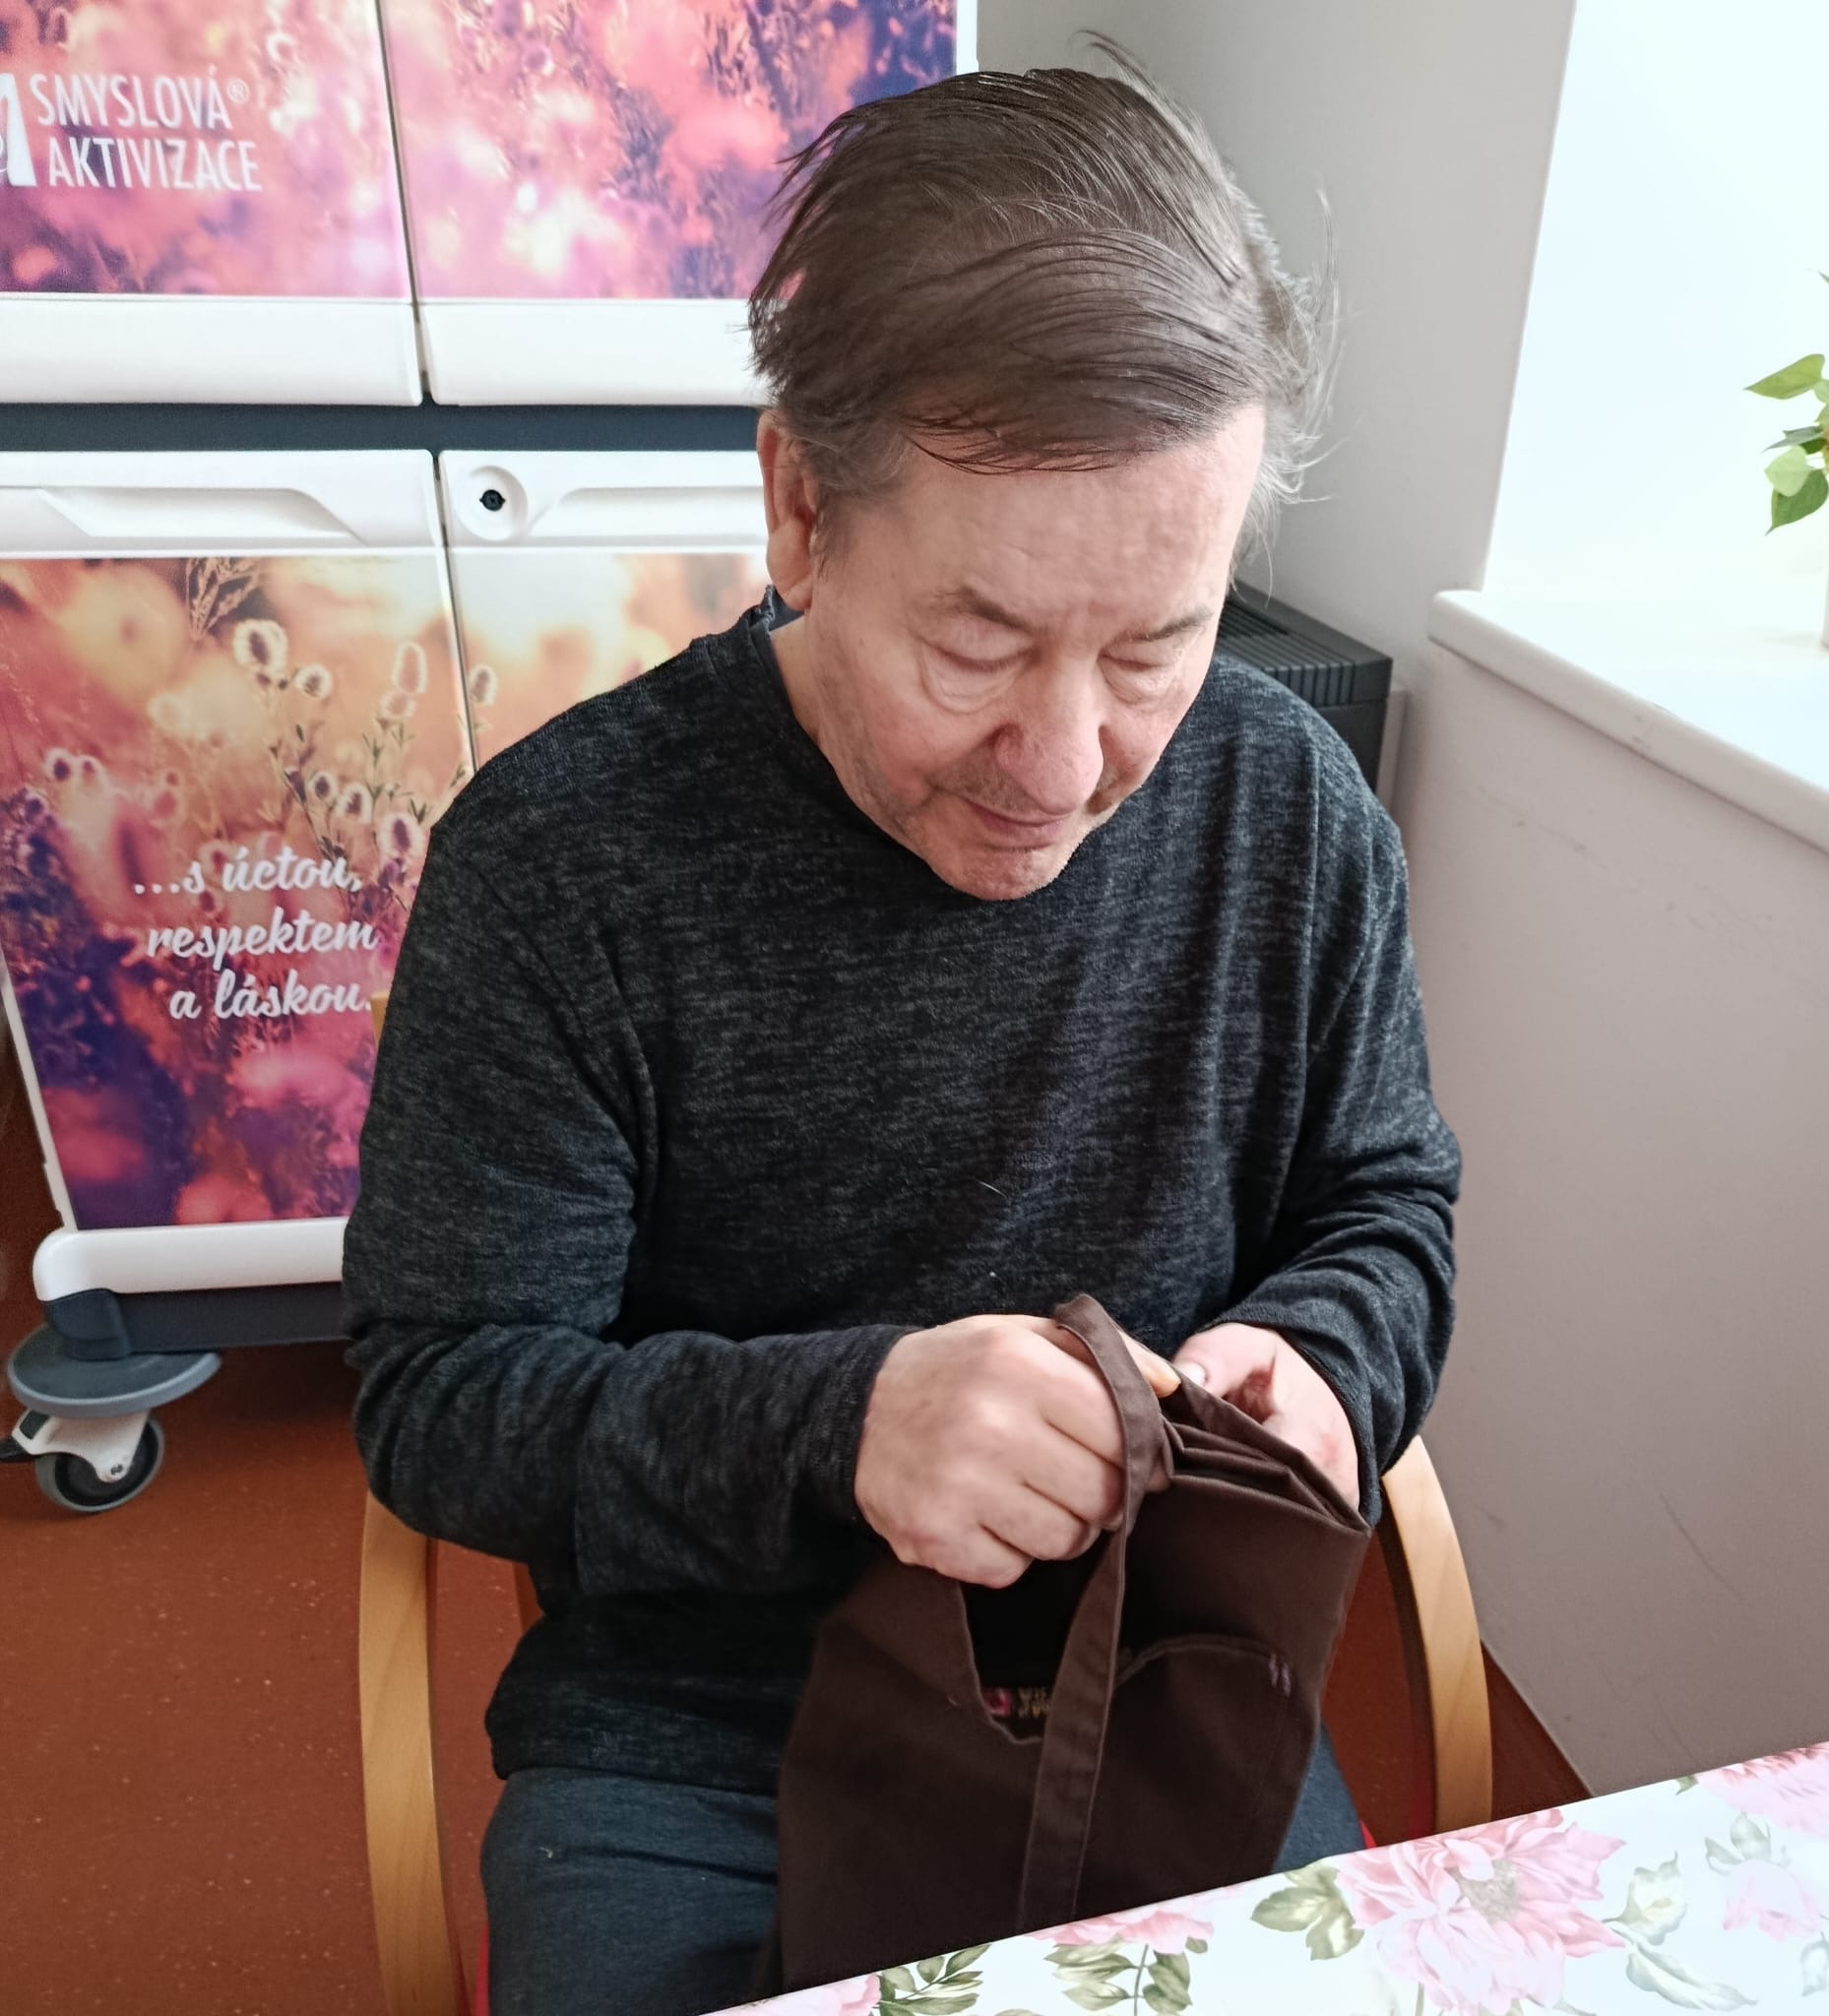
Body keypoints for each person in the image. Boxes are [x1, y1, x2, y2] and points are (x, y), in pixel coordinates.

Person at [343, 53, 1460, 2016]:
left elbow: (1382, 1204)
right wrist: (843, 1427)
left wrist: (1316, 1365)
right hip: (703, 1735)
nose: (1064, 763)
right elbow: (444, 1393)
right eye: (976, 642)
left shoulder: (1287, 813)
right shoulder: (562, 868)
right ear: (797, 505)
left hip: (1157, 1679)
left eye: (1154, 647)